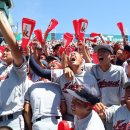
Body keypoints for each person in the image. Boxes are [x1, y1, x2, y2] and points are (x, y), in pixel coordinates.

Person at [0, 11, 32, 129]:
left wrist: (2, 21)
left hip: (12, 120)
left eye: (8, 50)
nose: (5, 51)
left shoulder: (18, 70)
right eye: (4, 50)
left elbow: (14, 48)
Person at [89, 44, 128, 130]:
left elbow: (125, 88)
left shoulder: (119, 70)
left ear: (111, 56)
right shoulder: (92, 69)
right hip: (98, 110)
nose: (100, 54)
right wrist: (68, 67)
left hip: (115, 110)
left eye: (104, 52)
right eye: (99, 52)